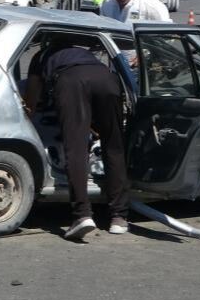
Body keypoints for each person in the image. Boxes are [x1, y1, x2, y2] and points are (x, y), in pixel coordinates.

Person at [24, 37, 129, 240]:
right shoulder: (85, 54)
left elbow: (31, 101)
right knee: (114, 146)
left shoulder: (41, 57)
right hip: (106, 79)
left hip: (71, 82)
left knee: (76, 148)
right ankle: (119, 217)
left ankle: (82, 215)